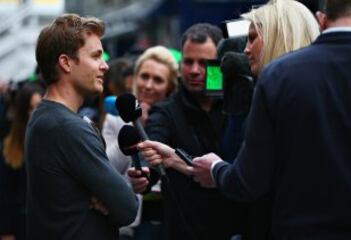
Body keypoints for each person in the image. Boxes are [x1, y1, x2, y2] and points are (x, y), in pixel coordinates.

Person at [190, 0, 351, 238]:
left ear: (323, 19)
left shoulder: (279, 78)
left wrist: (216, 170)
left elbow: (246, 180)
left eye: (252, 38)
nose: (246, 50)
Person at [25, 13, 138, 240]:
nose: (105, 66)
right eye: (96, 56)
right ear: (66, 62)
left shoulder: (45, 117)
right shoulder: (66, 127)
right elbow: (128, 208)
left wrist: (105, 196)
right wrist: (109, 198)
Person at [129, 23, 246, 240]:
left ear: (221, 63)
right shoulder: (165, 111)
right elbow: (154, 148)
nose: (194, 70)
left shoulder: (239, 107)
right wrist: (144, 175)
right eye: (188, 62)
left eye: (203, 63)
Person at [101, 46, 178, 240]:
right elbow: (107, 167)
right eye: (144, 76)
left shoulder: (177, 118)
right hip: (132, 221)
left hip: (173, 215)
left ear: (170, 87)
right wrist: (133, 129)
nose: (149, 85)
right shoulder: (115, 119)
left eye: (158, 80)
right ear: (135, 79)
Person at [0, 82, 44, 240]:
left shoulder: (53, 140)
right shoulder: (10, 147)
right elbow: (4, 195)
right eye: (31, 108)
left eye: (39, 107)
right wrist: (6, 232)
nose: (35, 113)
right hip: (21, 226)